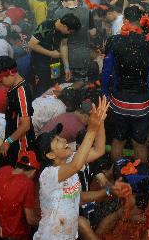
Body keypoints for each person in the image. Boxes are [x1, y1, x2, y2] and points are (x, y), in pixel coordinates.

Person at [32, 96, 109, 240]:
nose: (63, 139)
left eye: (59, 136)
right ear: (50, 155)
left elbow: (99, 150)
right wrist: (92, 129)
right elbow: (76, 166)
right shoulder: (48, 175)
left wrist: (100, 122)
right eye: (56, 140)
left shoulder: (71, 160)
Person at [101, 4, 149, 163]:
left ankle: (118, 172)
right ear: (141, 20)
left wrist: (105, 93)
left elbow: (106, 71)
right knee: (139, 143)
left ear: (124, 20)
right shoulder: (148, 41)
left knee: (118, 140)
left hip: (119, 99)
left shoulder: (113, 41)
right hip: (142, 100)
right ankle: (139, 178)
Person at [0, 151, 40, 240]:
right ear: (33, 171)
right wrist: (44, 224)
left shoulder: (4, 169)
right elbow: (30, 220)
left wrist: (1, 195)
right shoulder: (27, 184)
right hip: (18, 235)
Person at [0, 56, 36, 165]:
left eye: (1, 80)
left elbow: (26, 125)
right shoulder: (12, 87)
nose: (0, 83)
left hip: (21, 144)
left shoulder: (21, 92)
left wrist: (8, 141)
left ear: (11, 73)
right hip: (13, 139)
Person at [28, 14, 81, 96]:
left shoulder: (65, 30)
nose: (69, 33)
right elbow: (32, 44)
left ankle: (52, 105)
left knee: (54, 84)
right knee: (42, 86)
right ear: (64, 26)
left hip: (55, 63)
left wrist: (67, 67)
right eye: (70, 31)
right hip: (40, 63)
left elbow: (63, 45)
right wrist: (50, 53)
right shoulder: (46, 26)